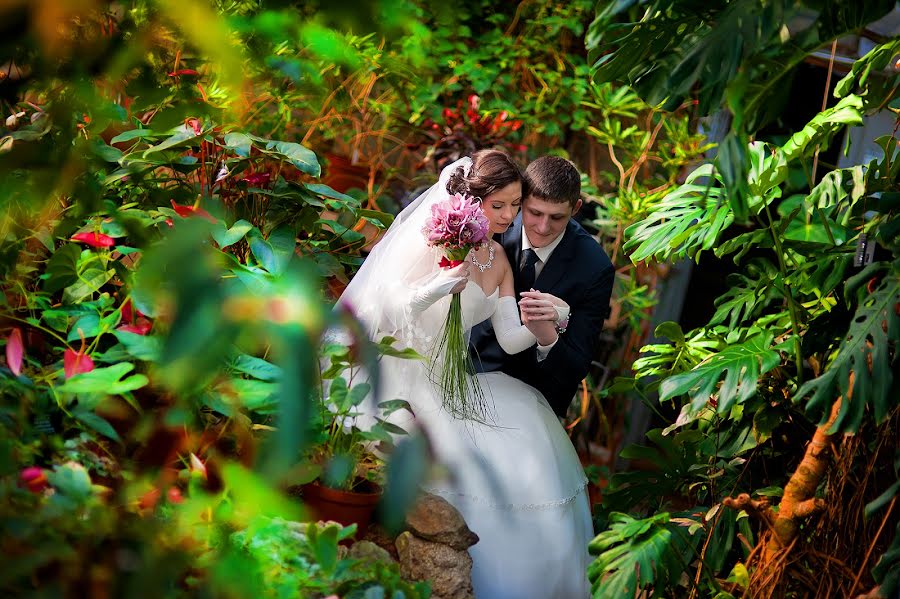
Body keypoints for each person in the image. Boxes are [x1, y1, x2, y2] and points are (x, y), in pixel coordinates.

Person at [338, 150, 592, 598]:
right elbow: (385, 311)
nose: (510, 216)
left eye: (515, 206)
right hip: (400, 371)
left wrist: (547, 322)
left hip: (450, 380)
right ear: (475, 200)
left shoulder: (497, 259)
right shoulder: (434, 239)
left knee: (525, 443)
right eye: (501, 206)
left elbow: (511, 337)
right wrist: (437, 286)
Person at [470, 155, 615, 418]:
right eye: (534, 212)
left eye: (557, 217)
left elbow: (576, 366)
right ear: (522, 200)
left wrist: (548, 335)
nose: (543, 227)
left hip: (533, 402)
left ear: (576, 208)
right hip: (469, 373)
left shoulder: (595, 268)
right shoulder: (492, 226)